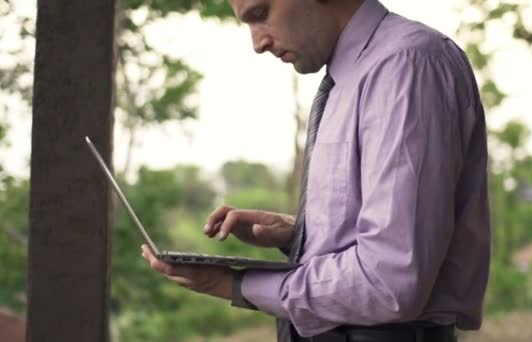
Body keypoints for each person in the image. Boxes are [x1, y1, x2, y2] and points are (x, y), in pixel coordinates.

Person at [141, 0, 491, 341]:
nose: (258, 43)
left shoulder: (405, 65)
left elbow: (390, 280)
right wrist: (300, 235)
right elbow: (392, 234)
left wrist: (233, 284)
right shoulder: (352, 76)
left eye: (261, 14)